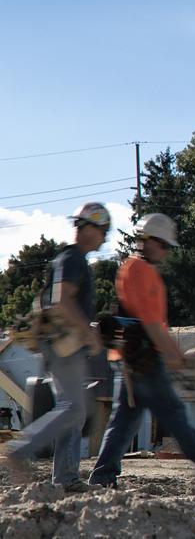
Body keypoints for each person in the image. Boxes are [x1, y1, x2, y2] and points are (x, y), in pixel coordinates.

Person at [88, 213, 195, 488]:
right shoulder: (140, 272)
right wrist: (176, 358)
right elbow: (151, 325)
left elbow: (150, 323)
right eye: (162, 245)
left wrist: (174, 355)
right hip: (144, 360)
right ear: (148, 241)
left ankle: (102, 477)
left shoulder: (132, 268)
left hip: (134, 359)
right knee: (174, 415)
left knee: (123, 422)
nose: (164, 252)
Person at [0, 203, 110, 491]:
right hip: (66, 345)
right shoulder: (72, 259)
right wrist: (90, 335)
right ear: (88, 227)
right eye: (103, 230)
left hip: (60, 344)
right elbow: (62, 300)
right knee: (74, 409)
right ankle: (20, 451)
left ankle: (66, 477)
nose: (104, 237)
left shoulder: (70, 259)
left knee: (72, 409)